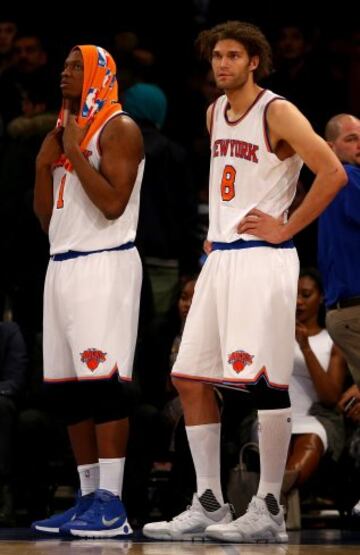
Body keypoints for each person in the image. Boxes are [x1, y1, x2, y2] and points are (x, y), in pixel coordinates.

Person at [143, 20, 346, 544]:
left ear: (254, 61)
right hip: (224, 257)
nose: (222, 64)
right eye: (216, 56)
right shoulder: (214, 113)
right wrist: (217, 233)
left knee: (263, 384)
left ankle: (270, 507)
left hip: (264, 257)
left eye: (233, 55)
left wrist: (286, 226)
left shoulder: (277, 111)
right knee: (189, 377)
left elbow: (332, 172)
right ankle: (208, 500)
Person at [31, 44, 144, 538]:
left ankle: (113, 506)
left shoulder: (120, 128)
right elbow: (45, 218)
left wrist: (74, 152)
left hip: (104, 263)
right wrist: (43, 165)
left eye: (77, 66)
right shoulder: (63, 129)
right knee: (69, 391)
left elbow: (114, 205)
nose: (65, 73)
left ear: (101, 74)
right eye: (64, 65)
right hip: (61, 264)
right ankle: (86, 498)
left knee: (103, 384)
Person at [319, 113, 360, 516]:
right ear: (330, 146)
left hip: (344, 311)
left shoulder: (331, 181)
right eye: (351, 138)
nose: (359, 145)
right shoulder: (346, 176)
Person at [282, 269, 347, 497]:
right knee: (269, 430)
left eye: (306, 294)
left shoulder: (331, 341)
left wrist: (305, 348)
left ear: (321, 297)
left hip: (312, 417)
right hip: (275, 415)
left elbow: (330, 397)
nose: (298, 301)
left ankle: (278, 492)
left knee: (311, 435)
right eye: (295, 294)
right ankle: (273, 497)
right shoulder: (274, 335)